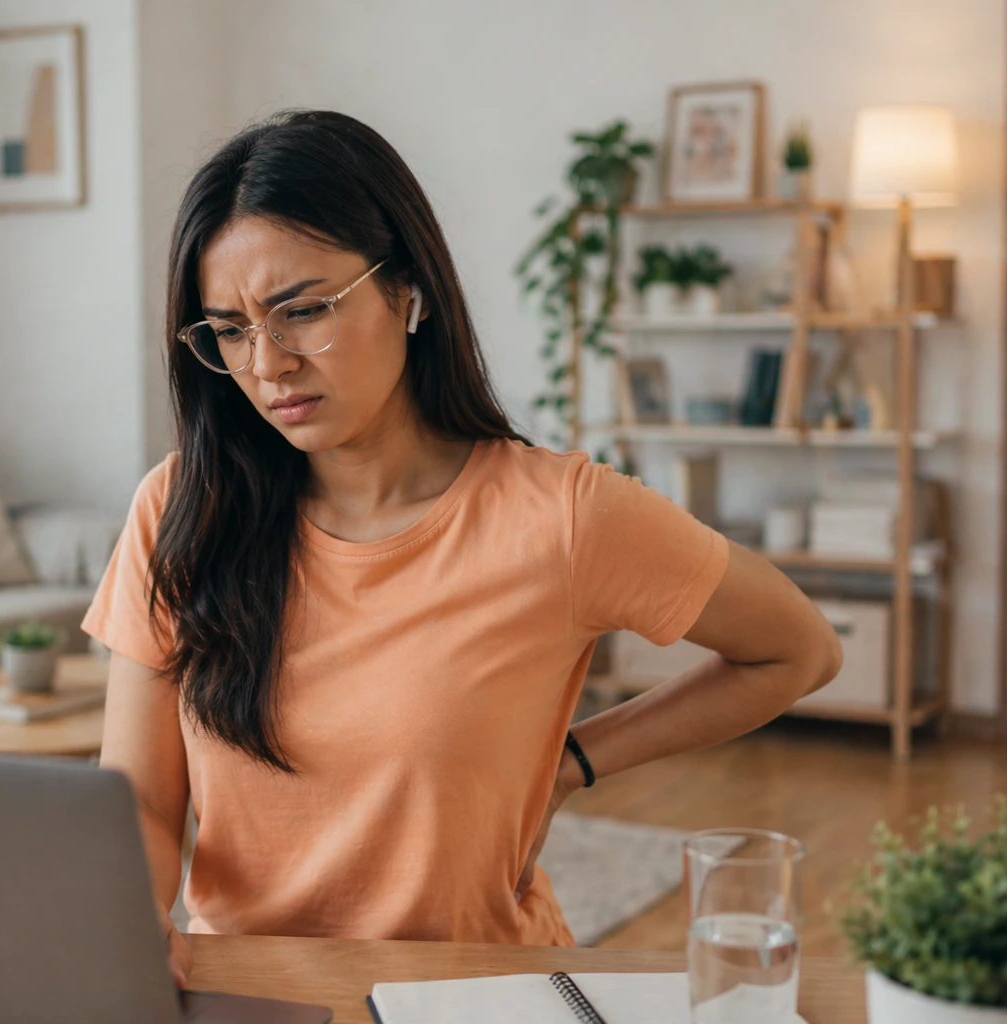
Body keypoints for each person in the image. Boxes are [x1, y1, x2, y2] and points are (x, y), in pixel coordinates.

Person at [86, 110, 842, 986]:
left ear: (408, 291)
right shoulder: (180, 509)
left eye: (302, 311)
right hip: (248, 992)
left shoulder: (560, 516)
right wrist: (136, 926)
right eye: (230, 329)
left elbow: (798, 650)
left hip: (477, 994)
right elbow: (137, 801)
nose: (268, 364)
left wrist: (575, 762)